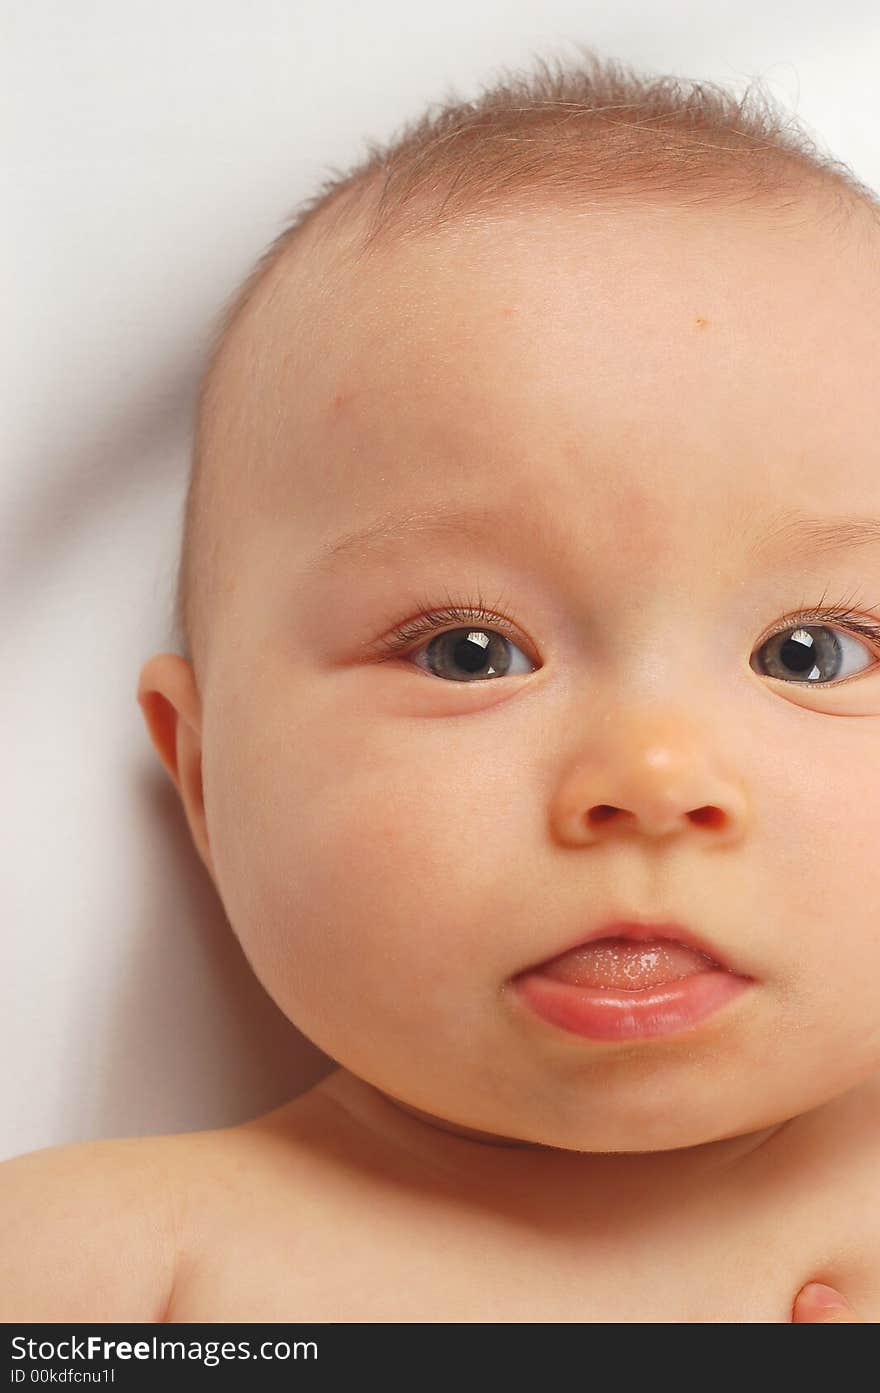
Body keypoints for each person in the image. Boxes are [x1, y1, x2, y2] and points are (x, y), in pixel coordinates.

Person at [3, 48, 880, 1323]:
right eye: (468, 651)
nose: (649, 778)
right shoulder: (113, 1272)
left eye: (813, 654)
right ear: (204, 775)